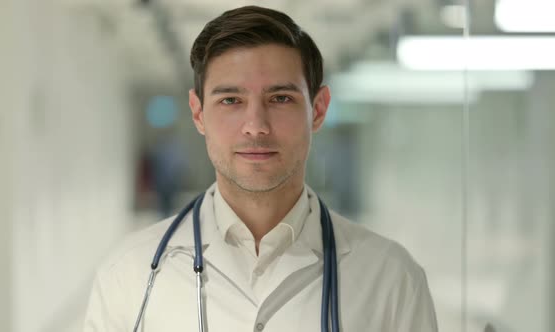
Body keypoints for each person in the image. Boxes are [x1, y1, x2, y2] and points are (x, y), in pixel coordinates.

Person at [84, 5, 438, 331]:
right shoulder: (127, 277)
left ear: (317, 109)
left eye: (280, 98)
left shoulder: (392, 280)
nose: (256, 125)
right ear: (197, 113)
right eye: (231, 100)